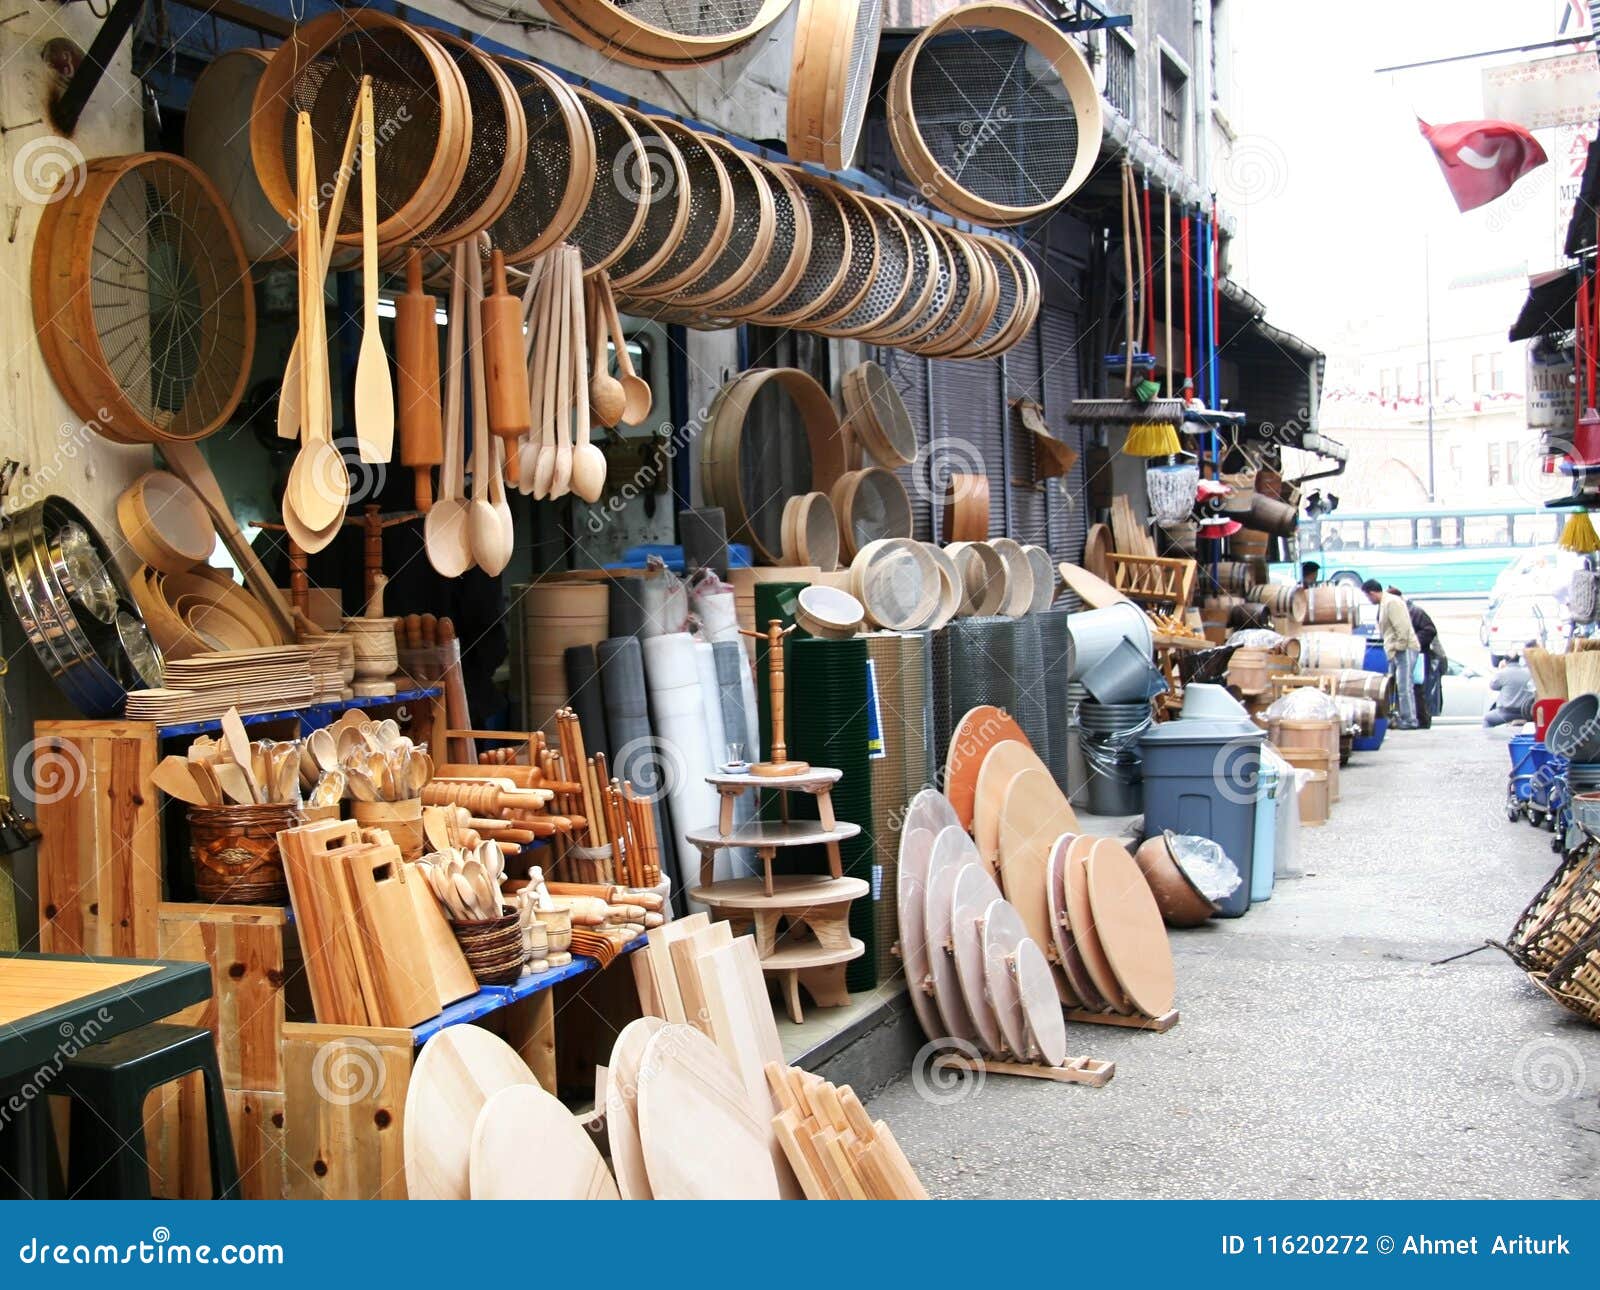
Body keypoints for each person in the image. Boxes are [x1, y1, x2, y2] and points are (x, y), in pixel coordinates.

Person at [1364, 578, 1421, 729]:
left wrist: (1398, 647)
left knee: (1404, 686)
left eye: (1367, 597)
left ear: (1372, 593)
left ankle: (1410, 720)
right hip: (1395, 650)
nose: (1368, 600)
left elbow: (1402, 627)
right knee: (1394, 687)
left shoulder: (1391, 602)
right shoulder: (1384, 603)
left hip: (1404, 648)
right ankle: (1400, 716)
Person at [1388, 586, 1441, 729]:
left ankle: (1421, 720)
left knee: (1416, 689)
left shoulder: (1415, 612)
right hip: (1400, 653)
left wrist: (1413, 643)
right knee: (1403, 688)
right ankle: (1407, 717)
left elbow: (1430, 630)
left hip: (1416, 655)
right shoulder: (1395, 611)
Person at [1485, 652, 1535, 728]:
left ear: (1504, 661)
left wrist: (1500, 669)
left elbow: (1493, 686)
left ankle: (1488, 739)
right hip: (1526, 713)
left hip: (1506, 713)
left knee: (1487, 719)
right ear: (1518, 660)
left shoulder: (1502, 673)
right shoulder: (1529, 672)